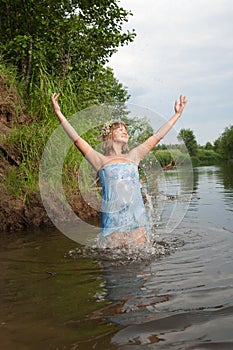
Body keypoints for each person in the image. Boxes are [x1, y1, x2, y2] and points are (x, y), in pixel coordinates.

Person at [51, 93, 187, 248]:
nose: (125, 132)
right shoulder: (99, 160)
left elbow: (158, 136)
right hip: (112, 223)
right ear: (109, 135)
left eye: (126, 130)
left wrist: (177, 115)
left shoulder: (133, 156)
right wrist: (58, 113)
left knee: (143, 263)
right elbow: (76, 139)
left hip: (137, 220)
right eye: (119, 129)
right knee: (114, 264)